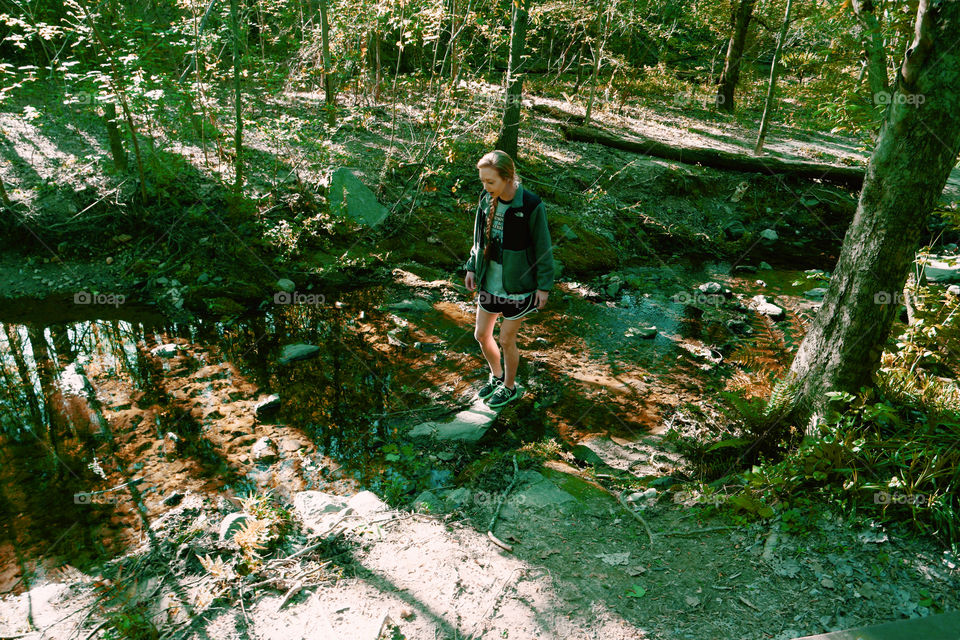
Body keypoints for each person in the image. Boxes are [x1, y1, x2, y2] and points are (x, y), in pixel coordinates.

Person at [463, 150, 554, 408]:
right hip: (489, 281)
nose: (485, 186)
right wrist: (472, 266)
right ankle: (496, 376)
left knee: (505, 339)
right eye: (482, 181)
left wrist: (543, 287)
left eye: (490, 181)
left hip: (519, 288)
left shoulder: (531, 205)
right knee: (481, 335)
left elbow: (543, 248)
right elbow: (478, 239)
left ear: (507, 177)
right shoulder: (485, 199)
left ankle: (510, 387)